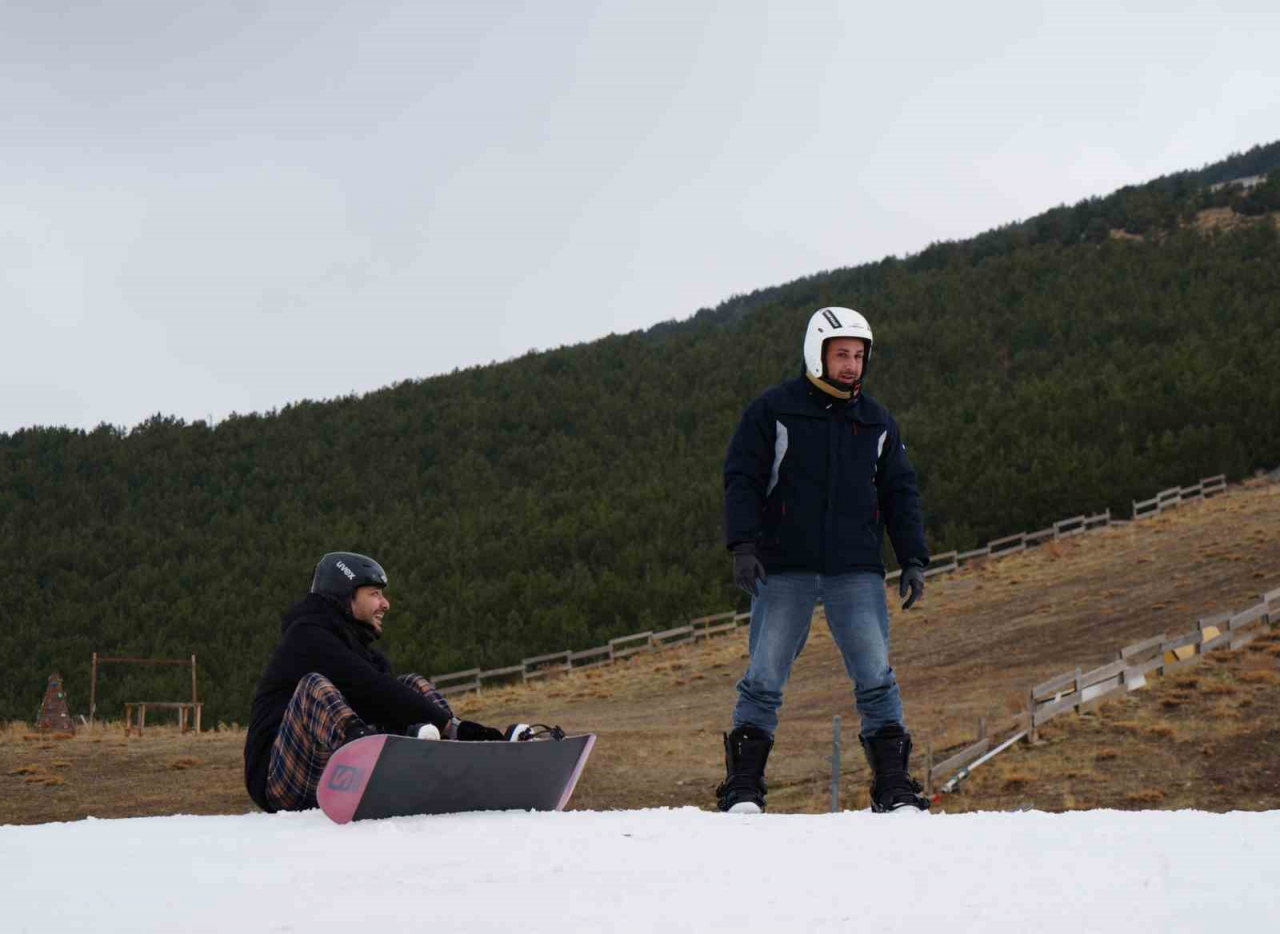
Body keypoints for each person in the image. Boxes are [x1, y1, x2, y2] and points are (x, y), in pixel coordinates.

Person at [717, 306, 931, 814]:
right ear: (817, 353)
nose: (852, 366)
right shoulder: (773, 411)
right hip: (784, 567)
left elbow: (901, 493)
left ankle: (894, 789)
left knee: (875, 674)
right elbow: (741, 478)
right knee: (765, 675)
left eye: (859, 356)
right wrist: (743, 547)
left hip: (854, 569)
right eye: (841, 355)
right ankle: (743, 788)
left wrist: (914, 559)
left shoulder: (877, 421)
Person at [244, 551, 513, 813]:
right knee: (314, 687)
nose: (385, 604)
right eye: (374, 594)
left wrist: (454, 727)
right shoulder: (306, 638)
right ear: (344, 596)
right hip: (281, 781)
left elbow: (388, 697)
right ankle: (373, 757)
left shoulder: (363, 652)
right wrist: (453, 725)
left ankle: (460, 759)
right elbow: (371, 688)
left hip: (335, 776)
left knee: (409, 684)